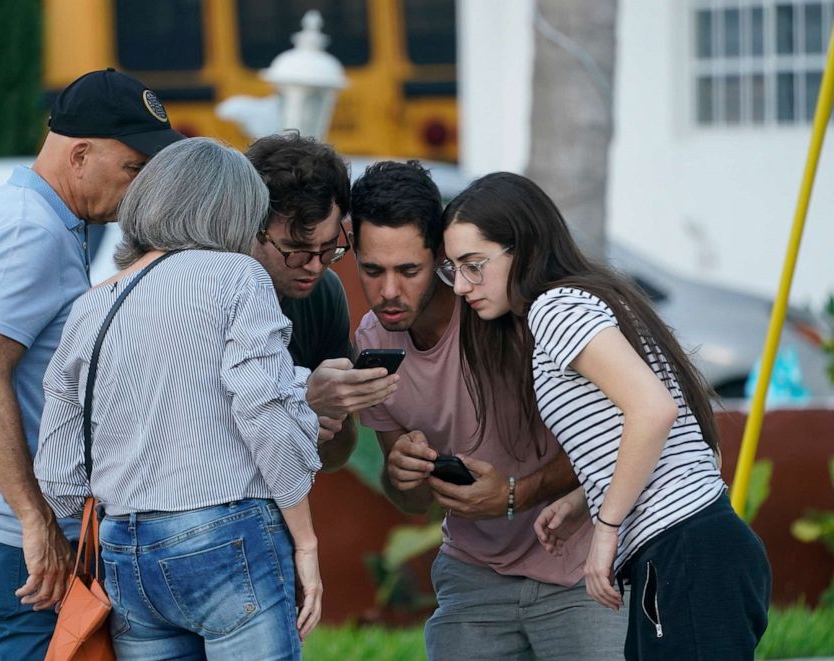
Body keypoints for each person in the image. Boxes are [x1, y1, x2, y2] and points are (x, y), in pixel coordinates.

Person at [440, 172, 771, 660]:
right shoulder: (587, 300)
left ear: (524, 248)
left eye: (474, 265)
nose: (462, 286)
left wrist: (607, 529)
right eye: (452, 269)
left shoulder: (556, 309)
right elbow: (678, 430)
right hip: (691, 550)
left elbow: (653, 410)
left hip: (685, 553)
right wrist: (581, 502)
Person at [0, 68, 184, 659]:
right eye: (133, 170)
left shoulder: (21, 213)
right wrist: (35, 519)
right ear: (80, 153)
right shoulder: (30, 231)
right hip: (10, 540)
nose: (139, 189)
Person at [35, 137, 322, 659]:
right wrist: (306, 541)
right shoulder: (238, 277)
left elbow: (57, 471)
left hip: (124, 549)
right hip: (226, 533)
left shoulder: (93, 304)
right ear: (237, 214)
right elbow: (263, 410)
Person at [351, 161, 628, 660]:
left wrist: (517, 494)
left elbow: (612, 436)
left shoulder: (504, 311)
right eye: (372, 271)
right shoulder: (371, 340)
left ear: (440, 257)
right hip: (473, 574)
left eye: (409, 271)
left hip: (580, 568)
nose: (388, 291)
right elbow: (411, 502)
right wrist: (402, 473)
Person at [246, 133, 398, 470]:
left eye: (329, 248)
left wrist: (332, 415)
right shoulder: (202, 293)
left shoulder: (323, 294)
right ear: (252, 228)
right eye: (296, 249)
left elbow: (334, 457)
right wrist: (303, 404)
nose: (315, 266)